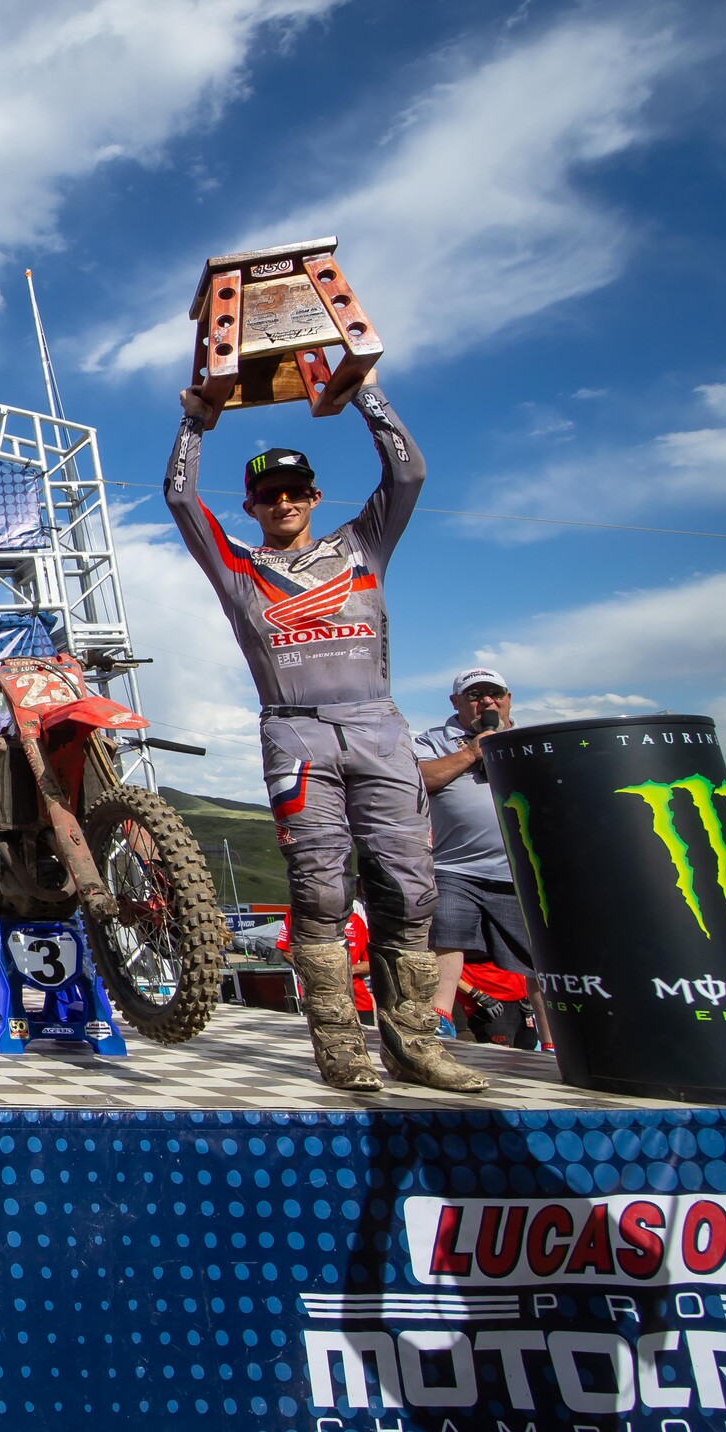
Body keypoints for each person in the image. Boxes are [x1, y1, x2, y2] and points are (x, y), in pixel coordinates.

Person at [167, 368, 484, 1094]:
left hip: (378, 728)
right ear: (250, 506)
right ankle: (340, 1049)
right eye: (267, 494)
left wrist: (365, 391)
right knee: (319, 891)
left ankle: (415, 1046)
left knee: (410, 890)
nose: (282, 502)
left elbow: (408, 473)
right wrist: (194, 422)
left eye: (294, 491)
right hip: (296, 734)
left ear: (314, 497)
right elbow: (182, 499)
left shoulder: (361, 544)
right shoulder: (240, 569)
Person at [414, 668, 539, 1037]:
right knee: (446, 937)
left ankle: (554, 1041)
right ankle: (440, 1020)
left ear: (508, 698)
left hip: (520, 869)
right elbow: (418, 779)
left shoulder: (530, 739)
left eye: (494, 693)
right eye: (474, 695)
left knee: (538, 956)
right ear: (456, 702)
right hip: (455, 865)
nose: (486, 701)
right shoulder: (432, 740)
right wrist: (472, 751)